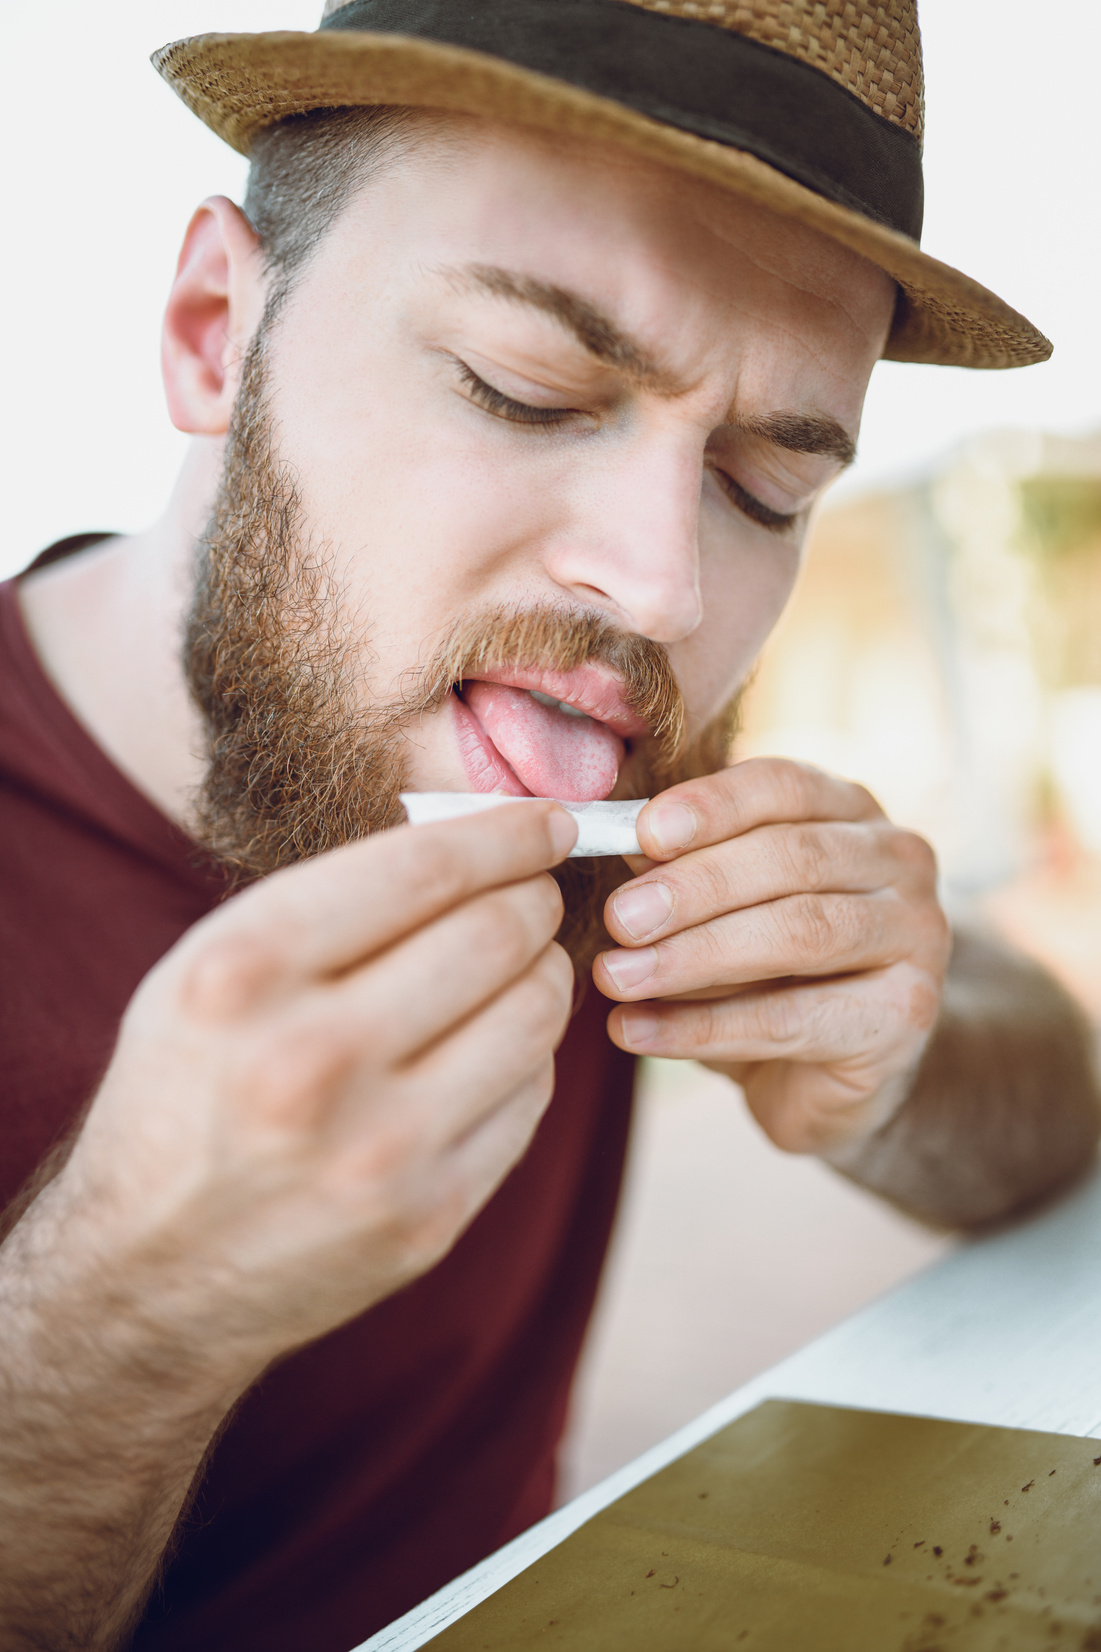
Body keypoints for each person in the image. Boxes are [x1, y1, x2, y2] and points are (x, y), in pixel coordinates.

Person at [1, 3, 1098, 1648]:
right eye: (527, 390)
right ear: (214, 330)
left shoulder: (603, 798)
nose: (659, 585)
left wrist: (894, 1047)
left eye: (763, 490)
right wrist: (115, 1320)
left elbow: (1051, 1111)